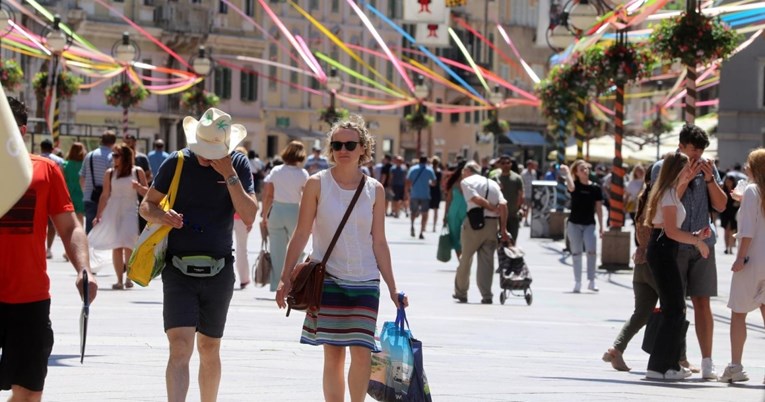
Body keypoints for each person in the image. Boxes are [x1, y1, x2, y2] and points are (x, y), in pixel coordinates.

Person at [274, 115, 407, 402]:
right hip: (328, 279)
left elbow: (380, 242)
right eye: (336, 144)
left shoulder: (375, 189)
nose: (342, 150)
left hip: (365, 280)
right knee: (333, 354)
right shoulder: (316, 184)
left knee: (361, 351)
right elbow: (300, 233)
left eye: (349, 144)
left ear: (363, 148)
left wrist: (393, 287)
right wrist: (284, 277)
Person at [139, 108, 257, 402]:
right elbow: (146, 206)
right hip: (178, 269)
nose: (206, 156)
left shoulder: (238, 165)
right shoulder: (177, 162)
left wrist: (229, 174)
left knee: (209, 348)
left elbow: (250, 214)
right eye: (202, 149)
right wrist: (163, 215)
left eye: (213, 151)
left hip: (219, 270)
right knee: (179, 346)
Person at [0, 96, 98, 401]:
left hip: (29, 301)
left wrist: (85, 269)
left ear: (23, 131)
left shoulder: (45, 172)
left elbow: (70, 228)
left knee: (28, 395)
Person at [650, 124, 726, 380]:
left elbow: (721, 205)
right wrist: (684, 178)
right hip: (676, 243)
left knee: (703, 301)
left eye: (701, 152)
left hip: (704, 242)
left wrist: (708, 178)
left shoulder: (708, 167)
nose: (697, 157)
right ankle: (676, 359)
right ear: (681, 145)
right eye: (693, 151)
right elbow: (665, 202)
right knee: (674, 304)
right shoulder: (665, 167)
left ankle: (707, 361)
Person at [601, 162, 691, 372]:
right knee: (676, 308)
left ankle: (616, 349)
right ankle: (680, 358)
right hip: (655, 263)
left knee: (641, 312)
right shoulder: (660, 198)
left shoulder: (644, 196)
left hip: (642, 262)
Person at [643, 152, 711, 380]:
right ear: (676, 170)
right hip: (663, 249)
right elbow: (671, 231)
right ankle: (661, 366)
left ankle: (667, 364)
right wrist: (698, 242)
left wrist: (694, 235)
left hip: (662, 248)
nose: (688, 171)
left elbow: (671, 224)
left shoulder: (668, 191)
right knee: (674, 309)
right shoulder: (668, 194)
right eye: (685, 168)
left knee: (674, 307)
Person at [719, 149, 765, 383]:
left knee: (739, 313)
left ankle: (736, 366)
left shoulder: (751, 190)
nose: (745, 166)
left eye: (749, 163)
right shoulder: (755, 192)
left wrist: (740, 258)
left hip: (752, 260)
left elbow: (747, 230)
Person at [89, 143, 148, 289]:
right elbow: (105, 195)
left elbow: (148, 192)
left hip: (130, 210)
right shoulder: (110, 173)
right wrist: (98, 215)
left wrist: (139, 187)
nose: (113, 158)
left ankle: (129, 278)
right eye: (113, 155)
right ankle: (119, 280)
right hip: (113, 210)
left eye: (116, 155)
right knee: (116, 246)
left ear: (125, 157)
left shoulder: (137, 171)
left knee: (129, 244)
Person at [452, 161, 510, 304]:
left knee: (465, 258)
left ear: (467, 171)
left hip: (473, 224)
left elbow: (475, 199)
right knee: (487, 262)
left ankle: (461, 292)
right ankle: (486, 295)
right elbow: (503, 205)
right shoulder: (494, 184)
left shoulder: (467, 182)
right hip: (492, 225)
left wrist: (490, 207)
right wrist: (503, 229)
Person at [261, 141, 309, 292]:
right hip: (294, 211)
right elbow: (306, 197)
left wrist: (264, 215)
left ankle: (277, 285)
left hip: (277, 210)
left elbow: (268, 195)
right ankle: (293, 280)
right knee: (298, 249)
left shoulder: (276, 170)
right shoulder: (303, 174)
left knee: (277, 251)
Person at [560, 160, 604, 293]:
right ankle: (577, 281)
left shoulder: (595, 187)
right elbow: (571, 188)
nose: (585, 170)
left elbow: (599, 208)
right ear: (576, 173)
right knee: (576, 252)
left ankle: (591, 280)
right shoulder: (575, 185)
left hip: (590, 224)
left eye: (586, 168)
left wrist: (602, 226)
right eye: (581, 169)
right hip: (574, 224)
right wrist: (567, 173)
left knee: (591, 251)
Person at [80, 130, 116, 233]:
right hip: (107, 198)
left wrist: (86, 191)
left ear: (101, 140)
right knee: (105, 231)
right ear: (113, 142)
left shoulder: (90, 155)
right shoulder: (112, 157)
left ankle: (88, 248)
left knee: (90, 229)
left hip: (89, 196)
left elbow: (82, 177)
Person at [62, 142, 87, 261]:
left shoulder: (65, 164)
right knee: (80, 225)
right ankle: (78, 249)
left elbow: (62, 180)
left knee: (70, 226)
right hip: (81, 195)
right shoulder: (84, 164)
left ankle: (67, 251)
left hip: (69, 195)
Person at [406, 156, 436, 239]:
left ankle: (412, 225)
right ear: (426, 161)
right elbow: (434, 182)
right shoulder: (430, 169)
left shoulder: (412, 169)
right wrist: (428, 183)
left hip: (414, 194)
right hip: (425, 194)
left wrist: (407, 192)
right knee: (424, 213)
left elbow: (408, 181)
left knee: (413, 212)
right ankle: (421, 231)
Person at [496, 155, 524, 242]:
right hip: (499, 215)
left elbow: (521, 195)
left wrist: (519, 208)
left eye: (508, 163)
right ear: (499, 165)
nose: (506, 165)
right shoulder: (496, 178)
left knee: (512, 239)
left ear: (511, 164)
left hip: (513, 214)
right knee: (500, 240)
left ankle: (511, 254)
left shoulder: (517, 178)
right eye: (503, 163)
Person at [443, 161, 467, 259]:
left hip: (463, 212)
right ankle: (461, 261)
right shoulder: (453, 182)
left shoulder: (473, 182)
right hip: (457, 213)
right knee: (456, 238)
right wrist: (445, 215)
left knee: (463, 238)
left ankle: (463, 261)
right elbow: (448, 200)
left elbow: (448, 200)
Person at [720, 176, 740, 255]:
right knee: (726, 230)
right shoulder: (723, 190)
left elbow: (739, 200)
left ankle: (731, 248)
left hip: (733, 213)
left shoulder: (736, 190)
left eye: (729, 182)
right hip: (725, 212)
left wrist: (737, 203)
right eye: (727, 181)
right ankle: (726, 247)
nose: (728, 183)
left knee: (732, 231)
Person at [521, 160, 537, 226]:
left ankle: (532, 221)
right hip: (526, 193)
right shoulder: (523, 173)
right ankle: (525, 220)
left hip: (533, 193)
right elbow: (522, 183)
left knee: (532, 208)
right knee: (526, 208)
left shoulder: (534, 172)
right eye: (531, 165)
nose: (532, 166)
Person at [429, 156, 443, 232]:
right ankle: (434, 226)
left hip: (430, 190)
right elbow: (440, 183)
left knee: (427, 209)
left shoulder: (430, 171)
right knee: (436, 210)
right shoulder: (439, 172)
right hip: (437, 191)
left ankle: (424, 226)